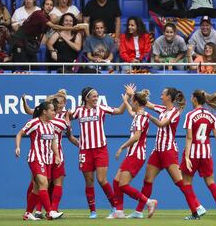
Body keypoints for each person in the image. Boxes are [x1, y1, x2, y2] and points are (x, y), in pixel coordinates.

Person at [127, 87, 205, 219]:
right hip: (157, 151)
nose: (161, 96)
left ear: (169, 97)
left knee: (179, 181)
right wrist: (133, 94)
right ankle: (138, 211)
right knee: (147, 180)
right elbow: (147, 104)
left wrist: (147, 115)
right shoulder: (162, 109)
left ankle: (196, 208)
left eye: (163, 94)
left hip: (168, 151)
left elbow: (162, 124)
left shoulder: (174, 112)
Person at [70, 86, 130, 219]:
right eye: (94, 96)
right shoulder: (79, 111)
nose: (96, 98)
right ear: (86, 98)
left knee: (102, 179)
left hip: (100, 149)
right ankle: (93, 211)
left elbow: (120, 111)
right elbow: (66, 118)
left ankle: (115, 207)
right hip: (85, 150)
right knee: (89, 181)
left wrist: (127, 98)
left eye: (97, 96)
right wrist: (70, 135)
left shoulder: (101, 108)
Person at [22, 89, 79, 218]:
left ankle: (52, 210)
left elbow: (70, 134)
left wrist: (80, 143)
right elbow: (30, 111)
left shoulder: (65, 116)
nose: (60, 104)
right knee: (38, 183)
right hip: (41, 154)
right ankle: (37, 211)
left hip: (56, 153)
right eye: (58, 101)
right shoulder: (45, 114)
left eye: (63, 101)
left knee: (53, 183)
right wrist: (24, 102)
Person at [181, 89, 216, 220]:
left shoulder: (190, 115)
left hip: (193, 154)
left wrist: (187, 157)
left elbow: (189, 138)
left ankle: (195, 214)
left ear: (194, 99)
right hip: (206, 154)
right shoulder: (212, 116)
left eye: (191, 97)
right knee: (211, 182)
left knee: (187, 182)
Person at [15, 101, 64, 221]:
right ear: (44, 112)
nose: (54, 112)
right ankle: (49, 212)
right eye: (52, 110)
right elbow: (20, 133)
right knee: (44, 184)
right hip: (35, 158)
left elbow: (53, 142)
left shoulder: (51, 125)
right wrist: (18, 147)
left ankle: (28, 213)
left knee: (37, 188)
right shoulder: (34, 123)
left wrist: (57, 156)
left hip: (47, 159)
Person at [113, 89, 158, 218]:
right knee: (116, 181)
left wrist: (121, 147)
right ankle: (119, 211)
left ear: (136, 102)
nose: (132, 104)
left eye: (133, 102)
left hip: (136, 155)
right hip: (133, 154)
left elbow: (136, 137)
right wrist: (126, 101)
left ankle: (149, 202)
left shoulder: (140, 118)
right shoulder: (140, 115)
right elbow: (131, 112)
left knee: (123, 185)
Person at [11, 0, 80, 65]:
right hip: (20, 40)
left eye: (51, 5)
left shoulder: (47, 17)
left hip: (30, 43)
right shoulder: (39, 14)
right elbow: (54, 26)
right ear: (43, 5)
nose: (49, 7)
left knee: (34, 68)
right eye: (47, 4)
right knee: (22, 67)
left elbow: (53, 29)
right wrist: (72, 28)